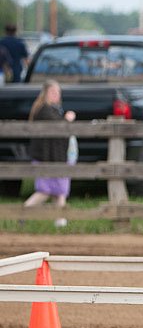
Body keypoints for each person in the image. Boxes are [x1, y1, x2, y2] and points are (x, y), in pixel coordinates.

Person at [24, 79, 76, 228]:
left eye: (58, 92)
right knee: (46, 190)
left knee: (58, 190)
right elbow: (58, 127)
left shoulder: (52, 109)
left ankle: (60, 221)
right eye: (53, 92)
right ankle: (24, 212)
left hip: (54, 157)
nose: (56, 95)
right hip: (47, 157)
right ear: (45, 93)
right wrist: (67, 120)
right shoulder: (44, 110)